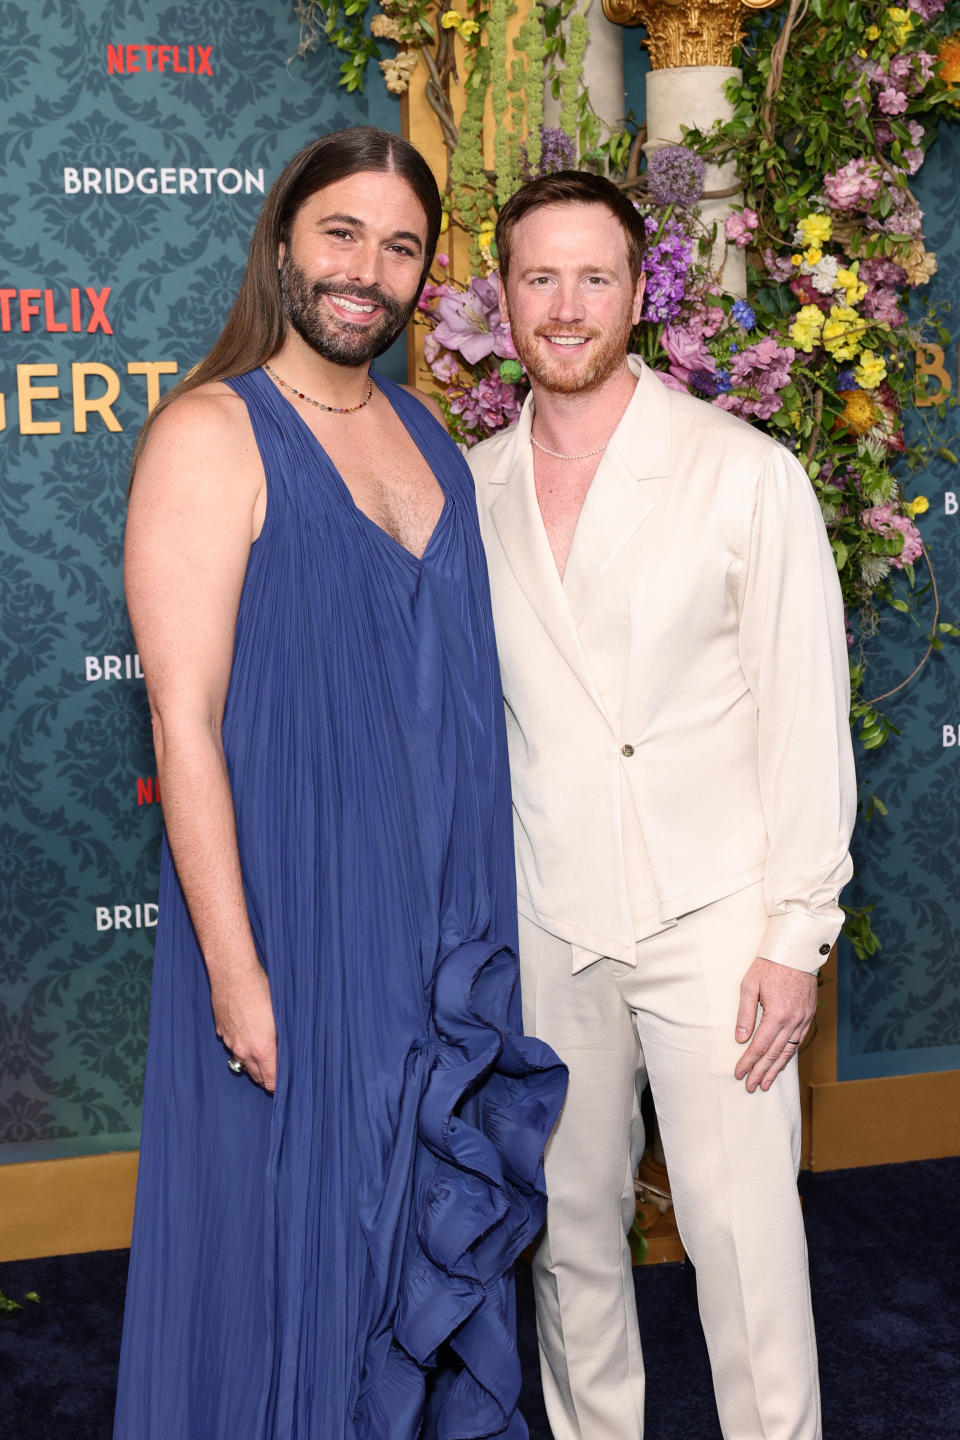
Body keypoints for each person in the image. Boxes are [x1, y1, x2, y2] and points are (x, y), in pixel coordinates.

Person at [114, 127, 565, 1440]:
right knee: (295, 1262)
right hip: (297, 928)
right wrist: (236, 970)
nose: (369, 270)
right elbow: (182, 723)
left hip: (440, 933)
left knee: (412, 1249)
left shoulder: (426, 434)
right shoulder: (211, 433)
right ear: (284, 245)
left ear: (428, 277)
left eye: (403, 246)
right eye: (343, 234)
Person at [468, 170, 856, 1440]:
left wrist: (793, 935)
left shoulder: (742, 473)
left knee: (745, 1249)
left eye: (594, 277)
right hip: (549, 918)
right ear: (502, 297)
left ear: (641, 294)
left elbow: (805, 713)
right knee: (572, 1242)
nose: (566, 306)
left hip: (716, 923)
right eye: (540, 278)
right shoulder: (470, 491)